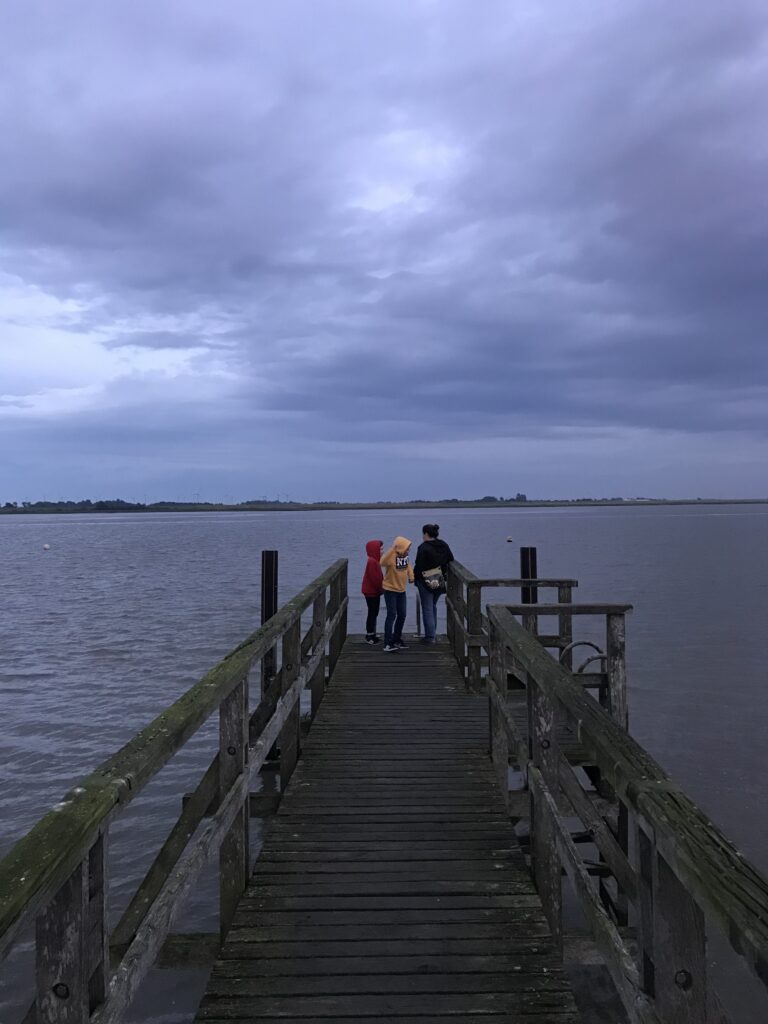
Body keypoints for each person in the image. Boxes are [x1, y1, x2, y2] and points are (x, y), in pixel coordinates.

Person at [414, 523, 454, 644]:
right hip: (439, 579)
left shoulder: (423, 547)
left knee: (427, 608)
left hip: (425, 581)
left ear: (426, 534)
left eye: (423, 534)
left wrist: (415, 578)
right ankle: (432, 634)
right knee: (432, 606)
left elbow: (419, 566)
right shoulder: (443, 545)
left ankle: (430, 637)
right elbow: (451, 559)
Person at [380, 535, 414, 652]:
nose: (408, 550)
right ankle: (387, 643)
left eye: (409, 548)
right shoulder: (391, 556)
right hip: (390, 590)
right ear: (400, 547)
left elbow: (408, 566)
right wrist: (392, 549)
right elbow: (382, 562)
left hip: (401, 591)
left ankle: (396, 639)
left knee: (402, 615)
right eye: (407, 547)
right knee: (391, 615)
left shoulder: (405, 556)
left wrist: (411, 576)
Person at [361, 539, 384, 644]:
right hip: (371, 592)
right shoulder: (372, 562)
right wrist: (382, 589)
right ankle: (370, 635)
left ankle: (372, 633)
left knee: (374, 612)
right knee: (372, 612)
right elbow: (376, 579)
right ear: (374, 550)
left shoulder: (375, 561)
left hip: (374, 591)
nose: (382, 551)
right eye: (380, 549)